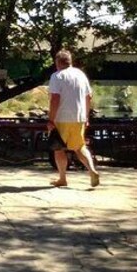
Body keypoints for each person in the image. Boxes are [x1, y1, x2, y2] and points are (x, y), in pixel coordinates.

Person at [47, 49, 100, 188]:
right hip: (79, 117)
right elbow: (88, 97)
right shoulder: (81, 75)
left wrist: (51, 119)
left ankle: (62, 178)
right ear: (70, 61)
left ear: (57, 62)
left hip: (61, 118)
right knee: (80, 146)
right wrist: (87, 116)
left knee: (58, 149)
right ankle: (92, 170)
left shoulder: (57, 76)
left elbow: (55, 99)